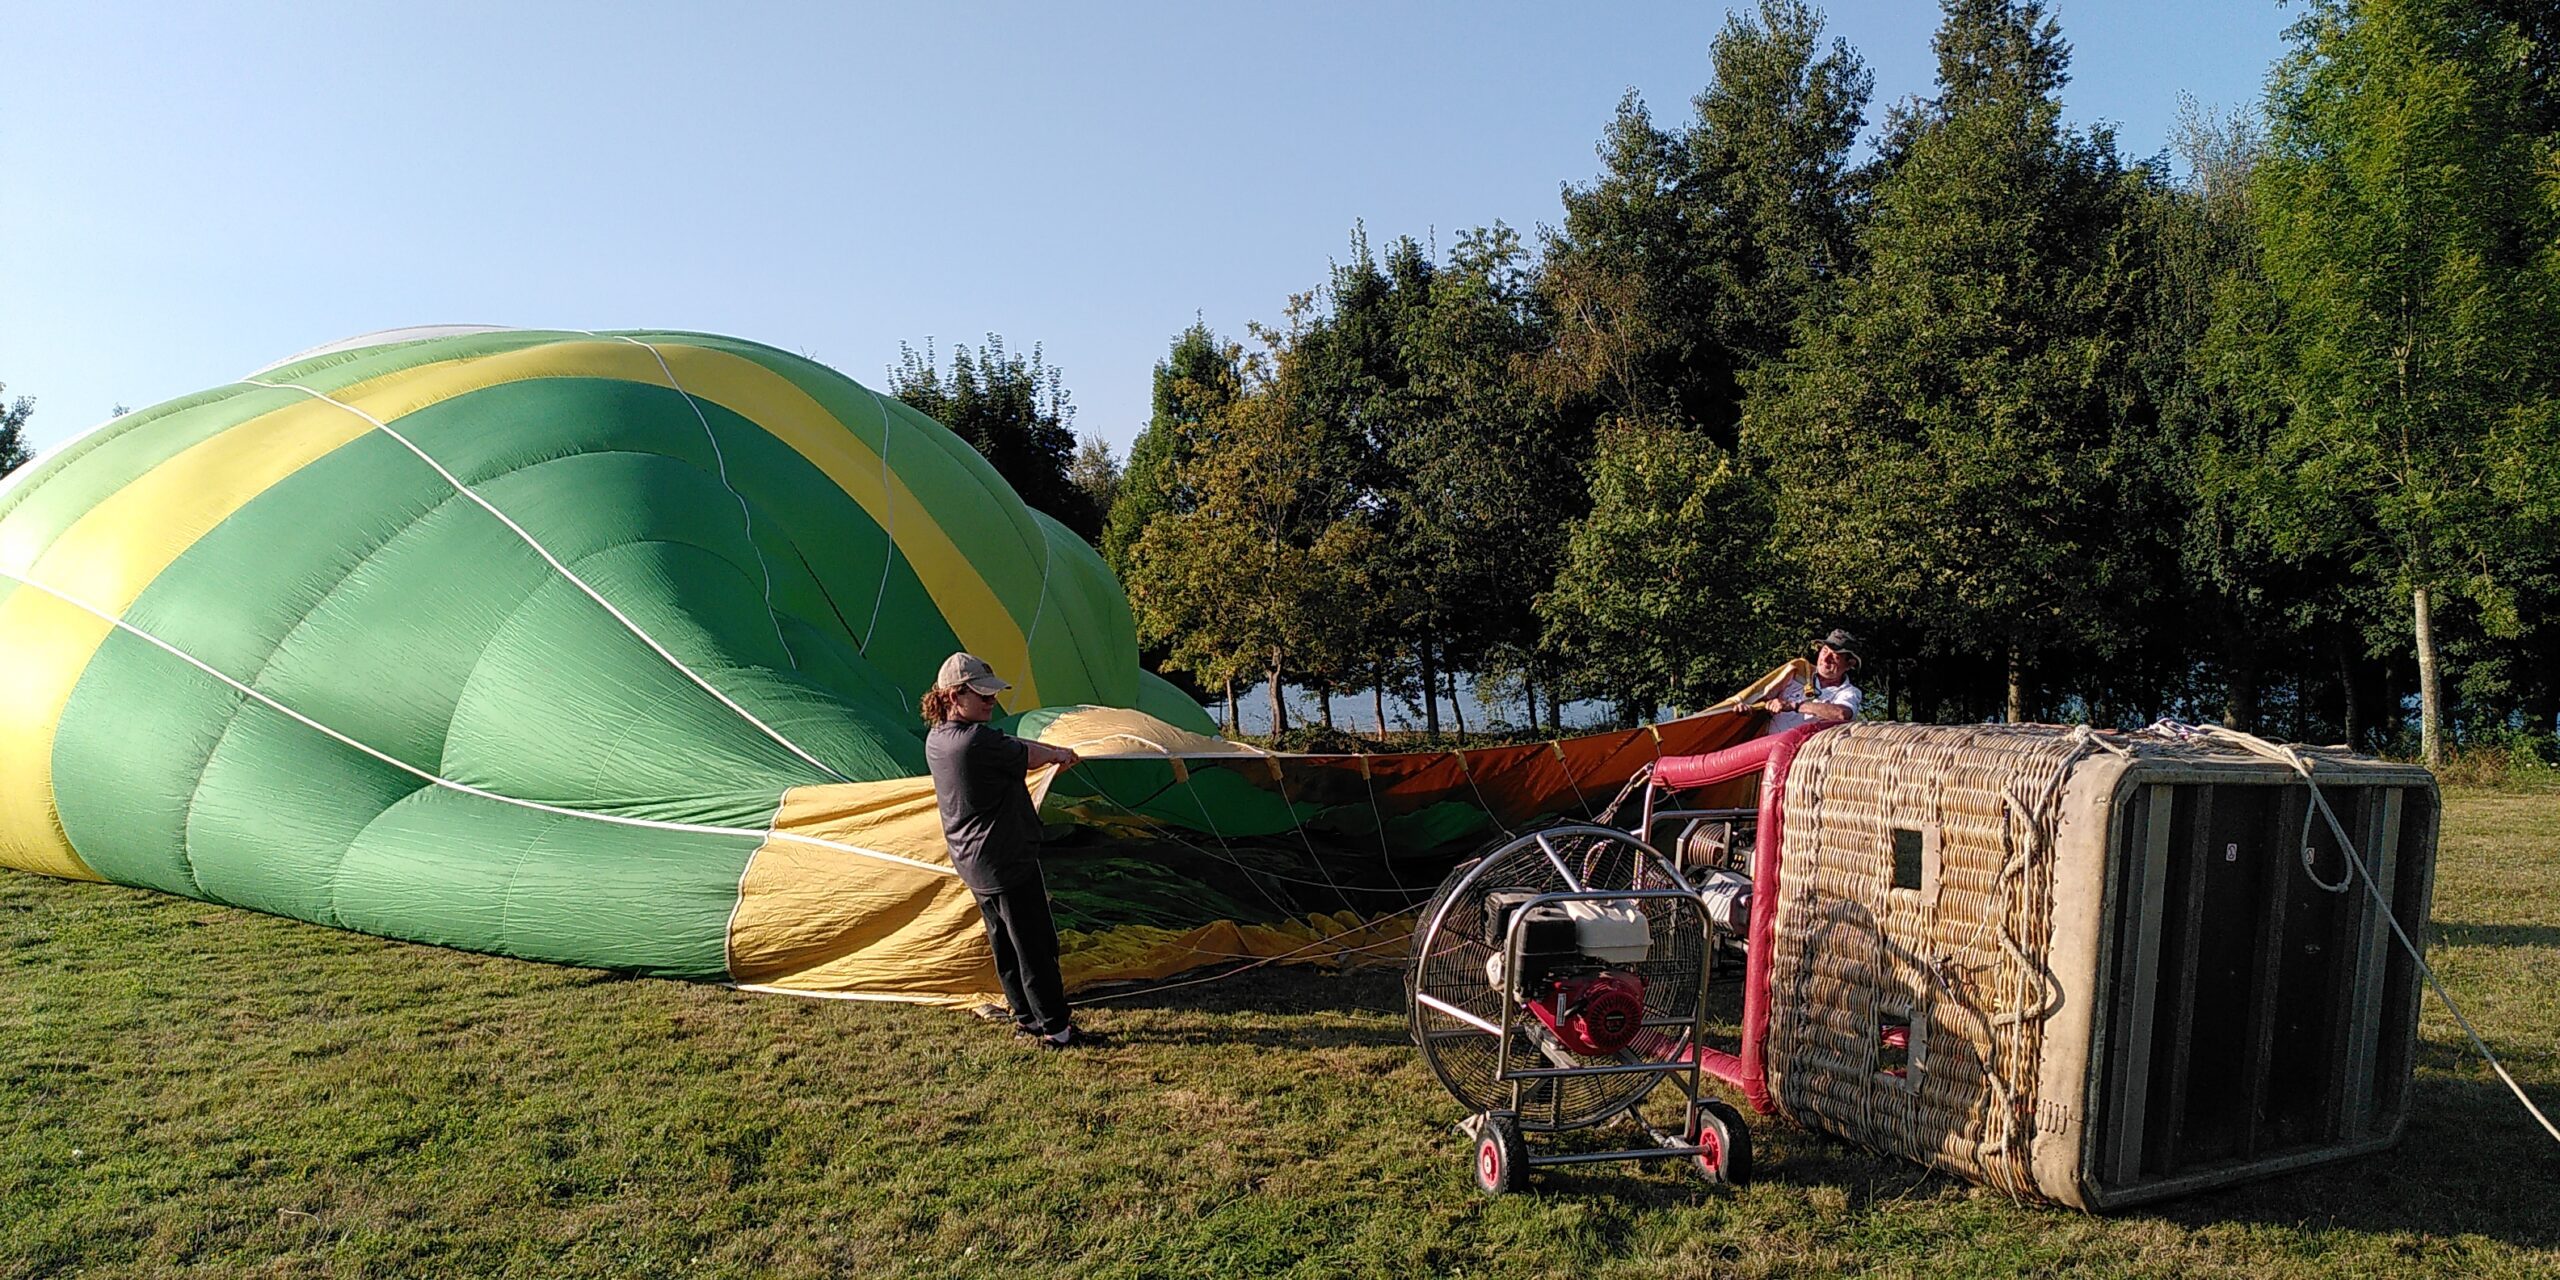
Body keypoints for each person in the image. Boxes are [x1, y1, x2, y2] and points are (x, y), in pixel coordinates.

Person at [922, 652, 1087, 1049]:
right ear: (953, 697)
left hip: (974, 861)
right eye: (982, 695)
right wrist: (1058, 754)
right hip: (1006, 860)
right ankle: (1056, 1030)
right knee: (1035, 945)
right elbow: (1027, 754)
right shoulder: (976, 742)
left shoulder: (940, 738)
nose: (990, 701)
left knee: (1005, 942)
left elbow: (1012, 744)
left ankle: (1027, 1018)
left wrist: (1048, 753)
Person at [1761, 629, 1865, 735]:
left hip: (1806, 749)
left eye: (1835, 656)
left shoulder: (1849, 692)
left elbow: (1842, 714)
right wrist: (1745, 707)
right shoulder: (1796, 672)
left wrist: (1795, 706)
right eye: (1824, 651)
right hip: (1765, 745)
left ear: (1849, 664)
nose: (1825, 659)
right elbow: (1760, 696)